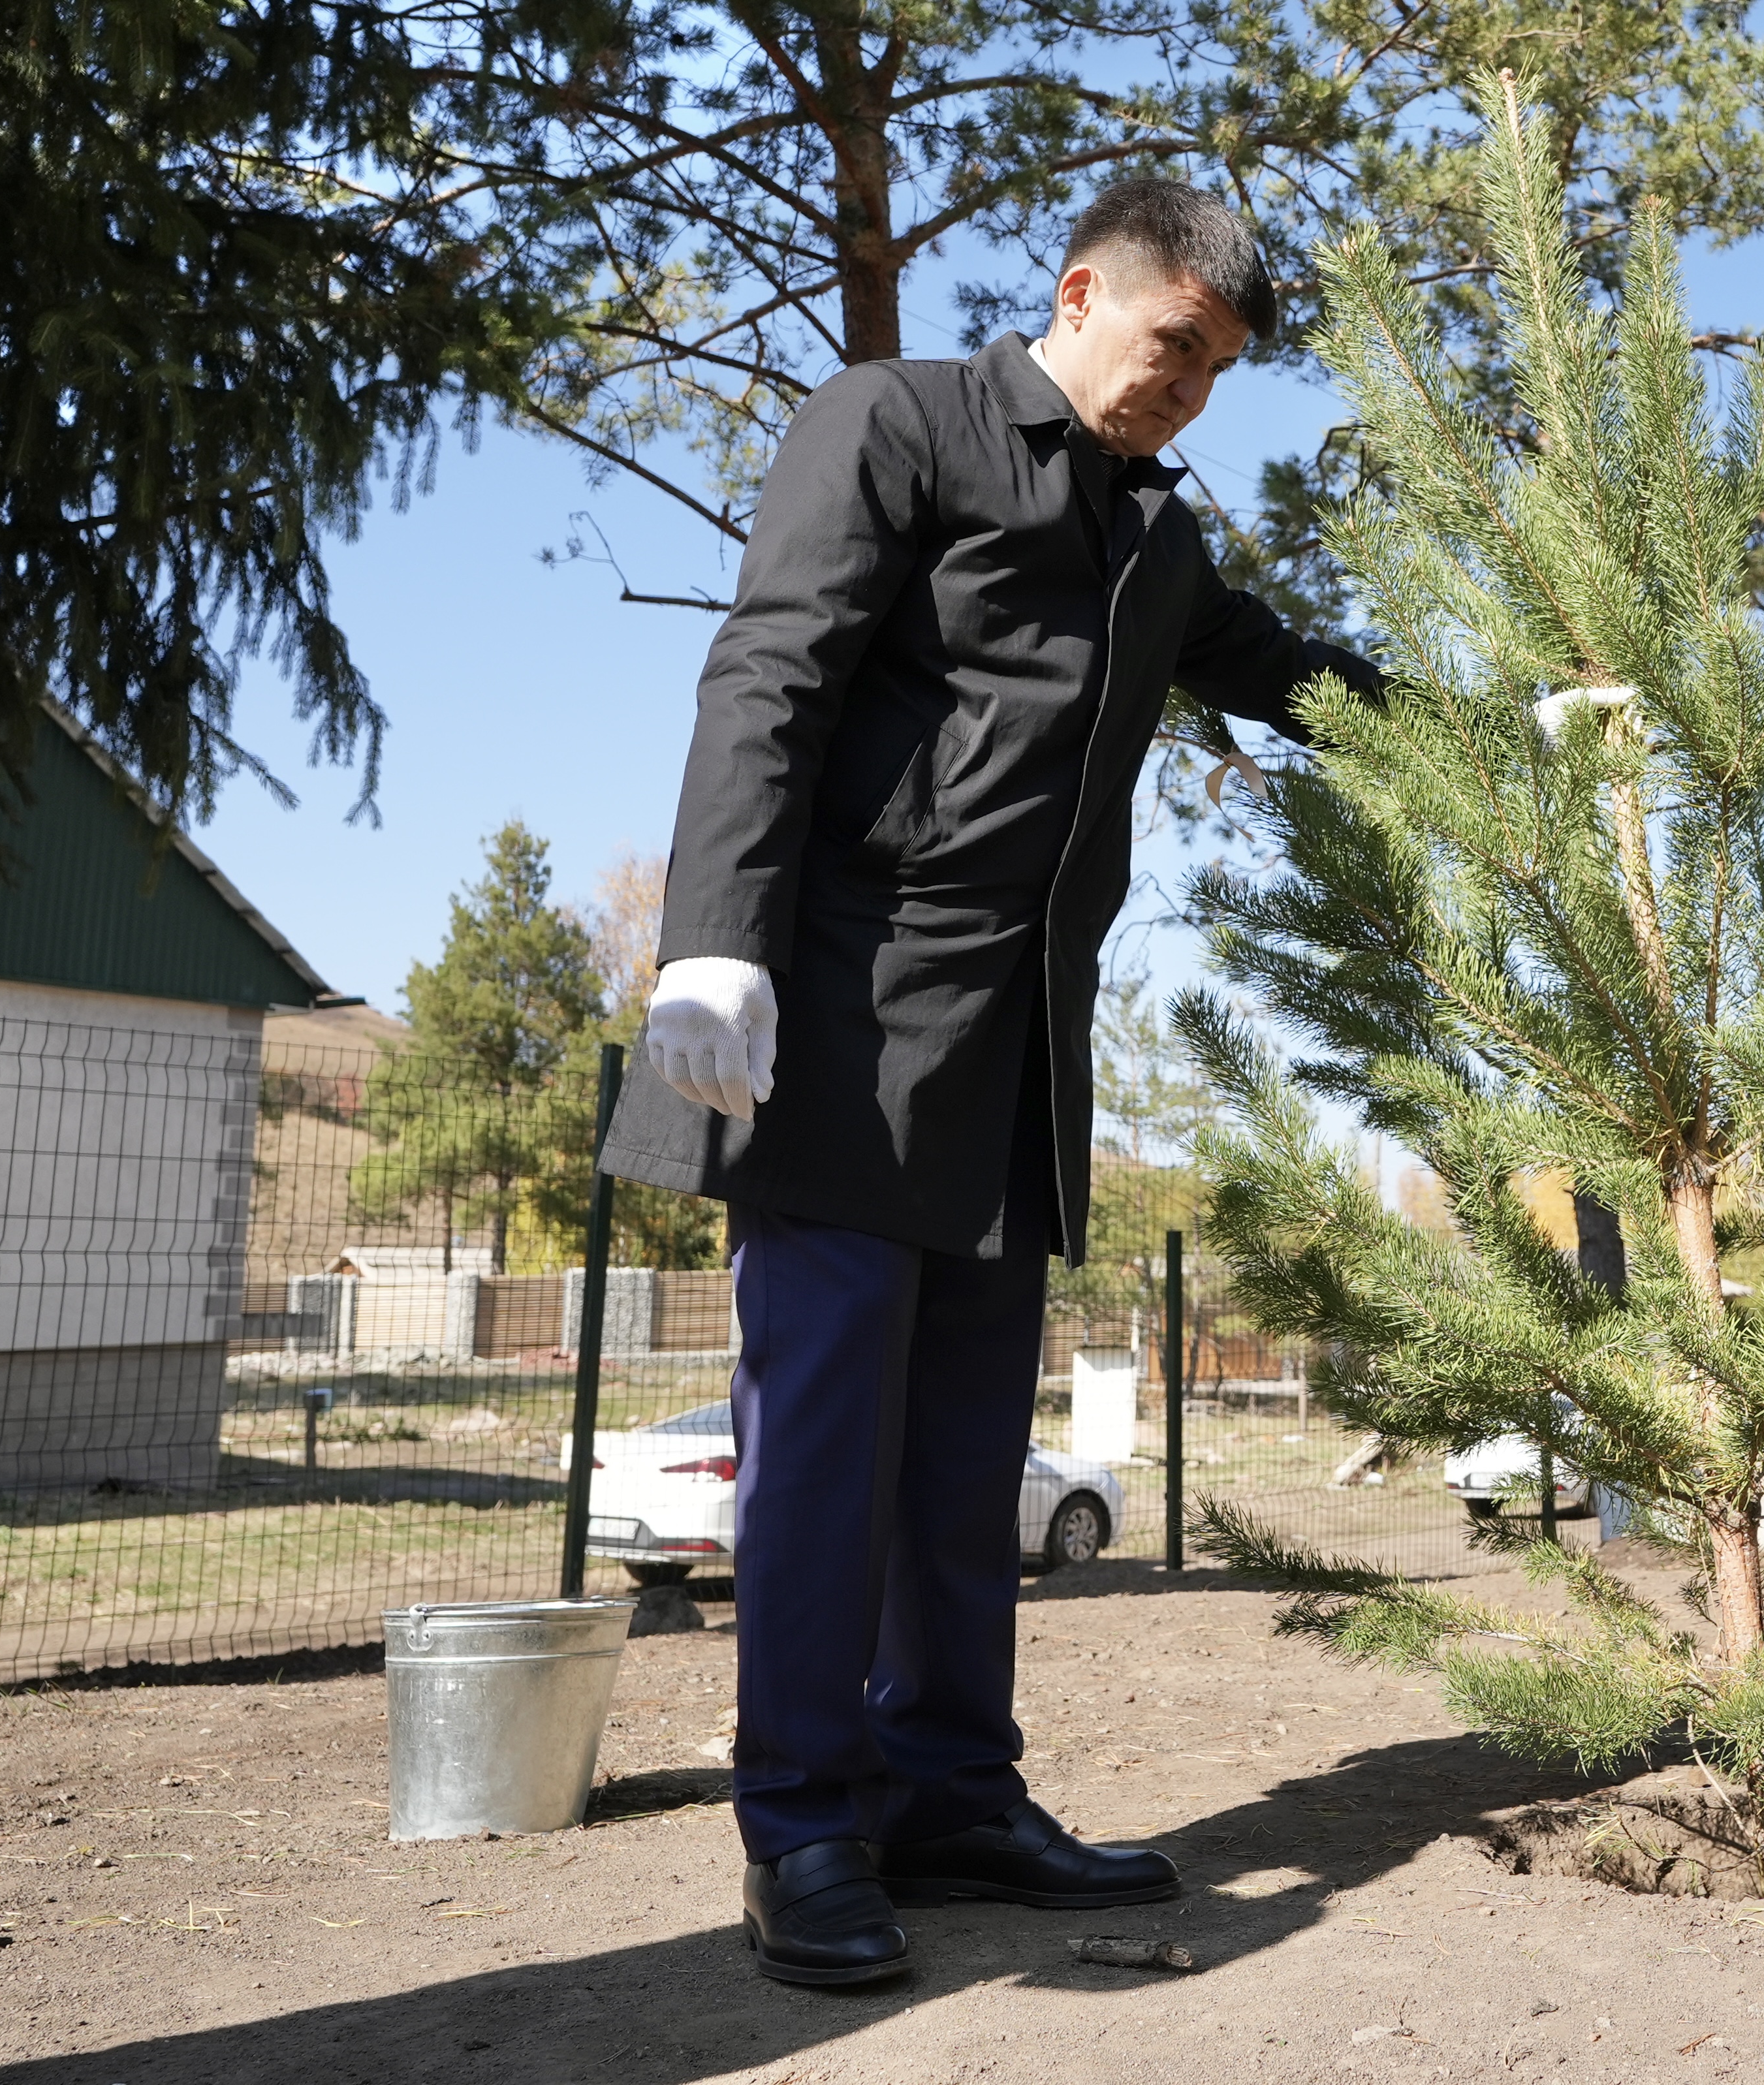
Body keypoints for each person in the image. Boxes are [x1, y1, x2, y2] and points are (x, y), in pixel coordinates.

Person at [595, 176, 1381, 1985]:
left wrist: (1509, 736)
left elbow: (1293, 677)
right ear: (1084, 289)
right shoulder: (899, 421)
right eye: (1171, 346)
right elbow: (771, 664)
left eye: (1214, 374)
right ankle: (801, 1820)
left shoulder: (1158, 545)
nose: (1183, 390)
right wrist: (708, 937)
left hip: (1020, 1053)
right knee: (821, 1457)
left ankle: (947, 1786)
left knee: (961, 1460)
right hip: (837, 1023)